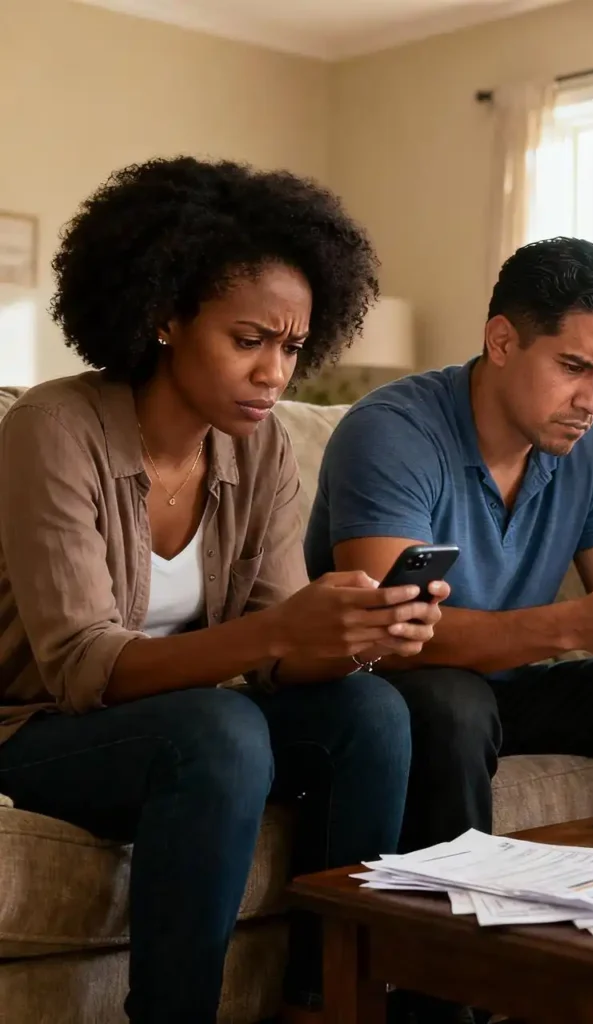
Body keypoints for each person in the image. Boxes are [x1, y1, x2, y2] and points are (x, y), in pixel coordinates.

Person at [0, 157, 450, 1024]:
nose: (276, 373)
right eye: (249, 341)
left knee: (374, 714)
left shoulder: (265, 447)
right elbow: (80, 666)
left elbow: (272, 646)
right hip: (35, 725)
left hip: (192, 717)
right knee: (220, 726)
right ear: (165, 315)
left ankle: (330, 1000)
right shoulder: (51, 430)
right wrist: (281, 633)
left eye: (290, 346)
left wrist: (353, 635)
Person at [306, 234, 593, 845]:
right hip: (396, 692)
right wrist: (576, 625)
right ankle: (451, 931)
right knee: (451, 701)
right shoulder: (393, 431)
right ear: (502, 341)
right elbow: (392, 641)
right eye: (573, 367)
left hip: (511, 688)